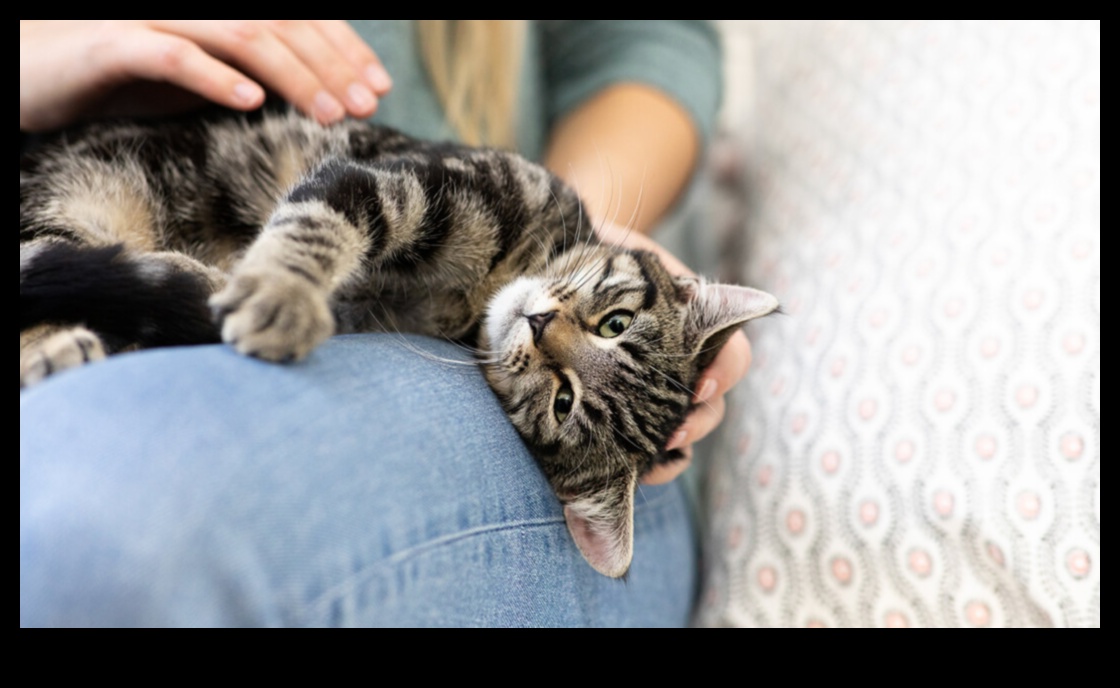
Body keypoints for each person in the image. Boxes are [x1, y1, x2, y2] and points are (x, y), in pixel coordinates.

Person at [20, 20, 747, 627]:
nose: (551, 331)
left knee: (102, 523)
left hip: (454, 381)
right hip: (148, 218)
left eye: (565, 389)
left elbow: (642, 40)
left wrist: (590, 231)